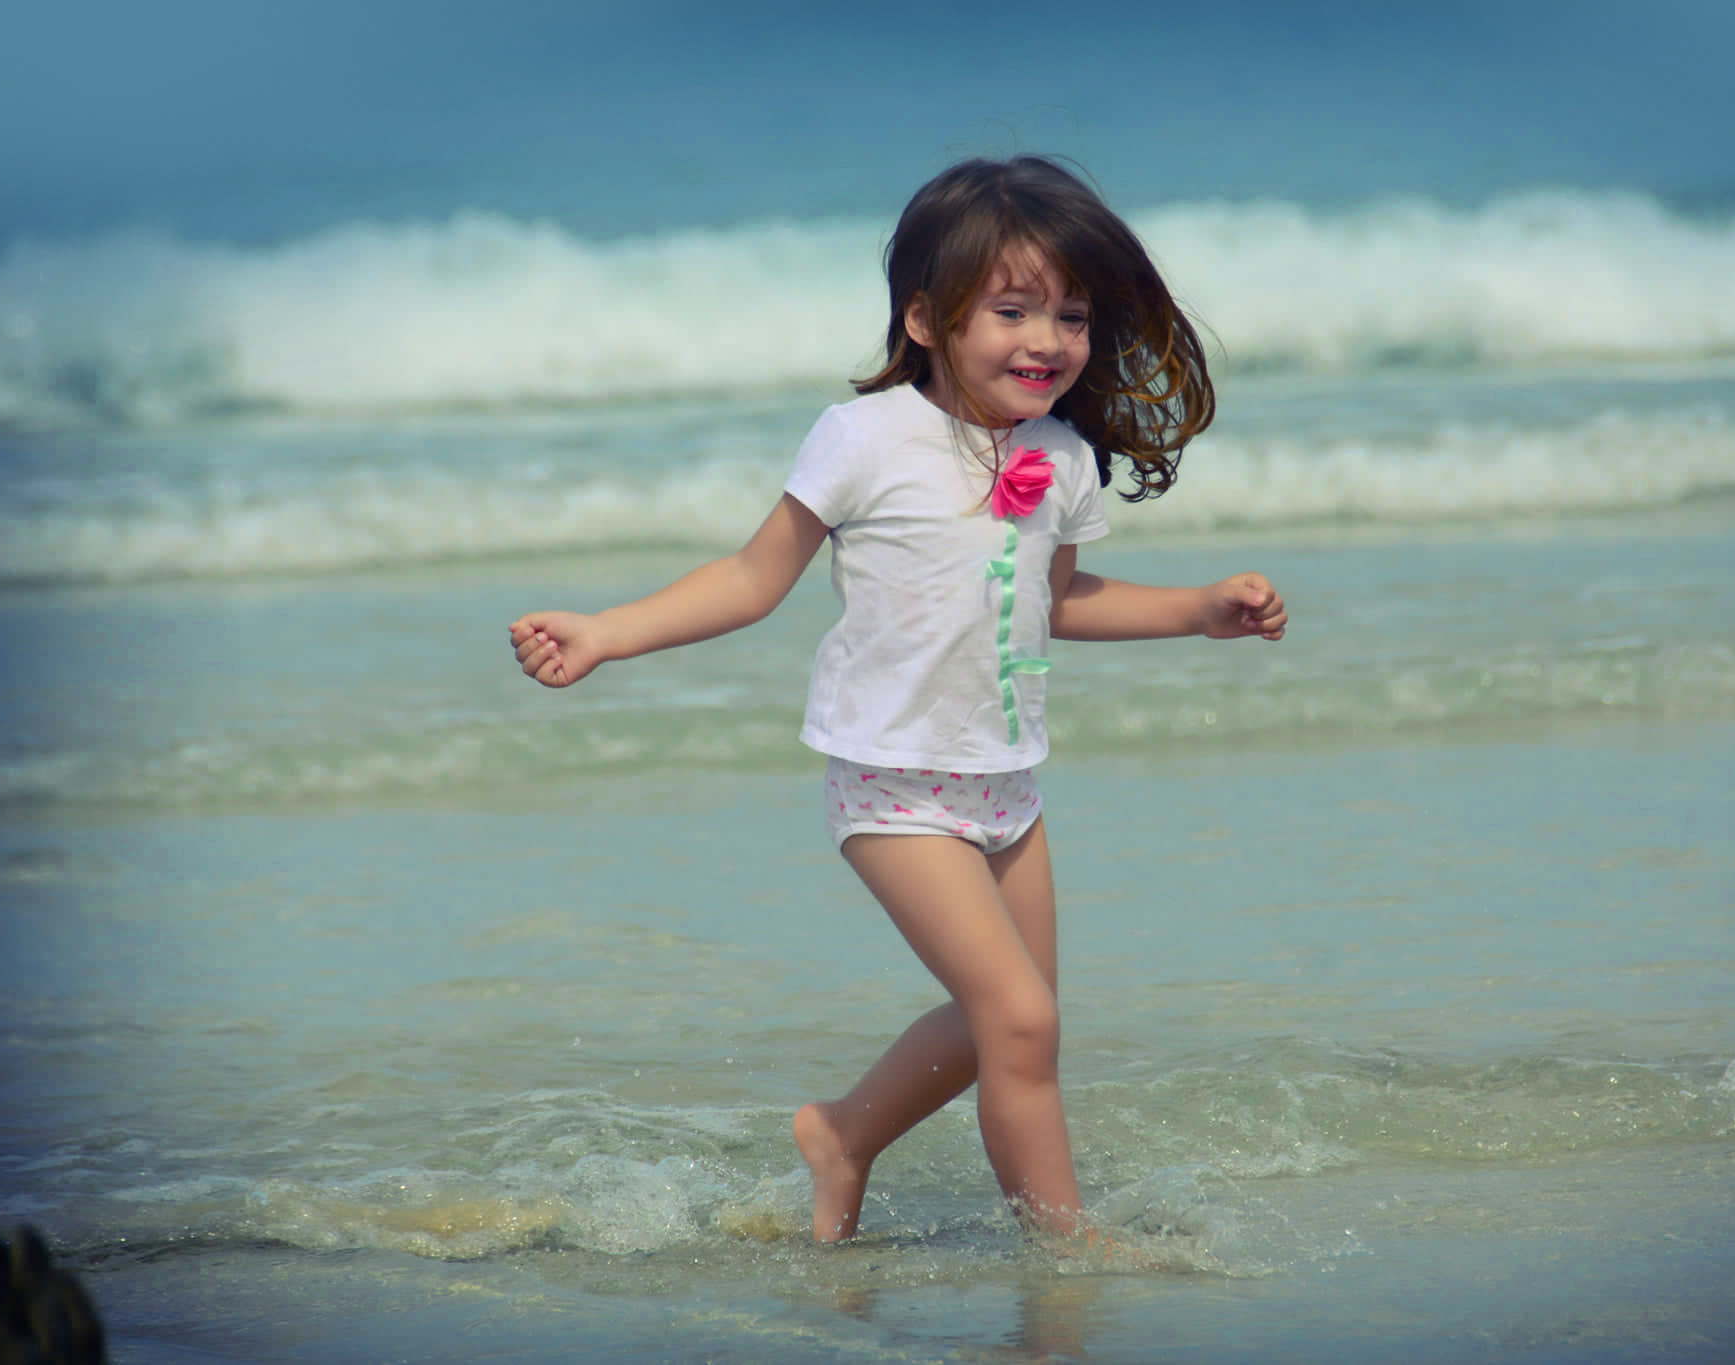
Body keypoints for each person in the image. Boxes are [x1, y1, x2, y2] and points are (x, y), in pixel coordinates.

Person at [509, 156, 1287, 1244]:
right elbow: (750, 577)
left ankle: (840, 1134)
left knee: (1014, 1026)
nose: (1047, 339)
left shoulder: (1060, 458)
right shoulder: (864, 439)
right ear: (926, 318)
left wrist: (1196, 609)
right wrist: (605, 632)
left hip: (1006, 782)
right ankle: (1067, 1245)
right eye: (1011, 309)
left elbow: (1058, 601)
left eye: (1069, 314)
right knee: (1015, 1017)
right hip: (892, 780)